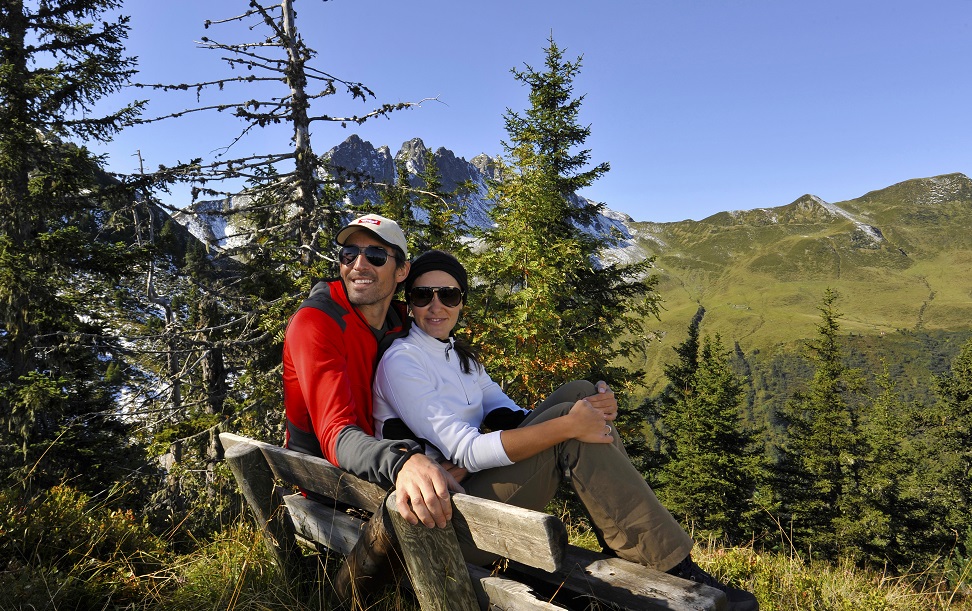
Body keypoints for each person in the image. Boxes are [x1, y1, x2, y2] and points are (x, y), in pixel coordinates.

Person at [372, 249, 759, 611]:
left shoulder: (460, 358)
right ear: (410, 303)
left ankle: (639, 546)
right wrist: (570, 424)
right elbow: (468, 451)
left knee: (582, 393)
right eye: (423, 295)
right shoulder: (404, 361)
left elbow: (513, 414)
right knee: (570, 431)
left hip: (466, 493)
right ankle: (670, 566)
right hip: (443, 521)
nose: (436, 305)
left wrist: (590, 409)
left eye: (449, 295)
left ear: (461, 302)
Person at [282, 214, 462, 529]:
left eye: (375, 256)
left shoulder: (399, 322)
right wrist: (403, 460)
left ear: (402, 270)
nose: (358, 265)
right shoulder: (318, 323)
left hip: (385, 481)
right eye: (349, 255)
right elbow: (337, 435)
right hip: (341, 494)